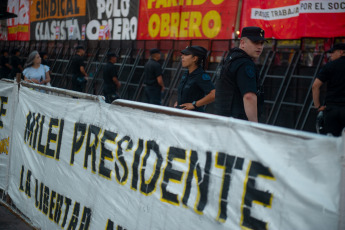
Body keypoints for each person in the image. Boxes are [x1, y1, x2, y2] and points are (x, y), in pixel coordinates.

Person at [215, 26, 266, 122]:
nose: (259, 47)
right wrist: (255, 126)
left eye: (262, 43)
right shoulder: (245, 64)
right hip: (239, 123)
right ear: (242, 43)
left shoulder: (230, 58)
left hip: (224, 120)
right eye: (255, 42)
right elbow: (249, 96)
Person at [312, 43, 345, 137]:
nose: (330, 55)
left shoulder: (330, 66)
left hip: (331, 109)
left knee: (331, 142)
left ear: (341, 52)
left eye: (332, 52)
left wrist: (318, 106)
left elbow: (315, 86)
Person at [175, 46, 215, 112]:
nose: (182, 57)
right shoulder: (186, 73)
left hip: (193, 116)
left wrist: (194, 104)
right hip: (182, 114)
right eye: (182, 54)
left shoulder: (200, 75)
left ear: (194, 58)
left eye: (186, 54)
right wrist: (179, 101)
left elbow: (214, 94)